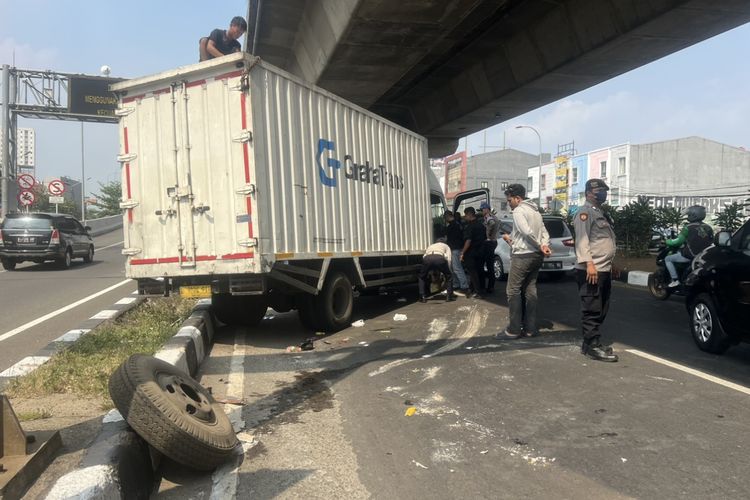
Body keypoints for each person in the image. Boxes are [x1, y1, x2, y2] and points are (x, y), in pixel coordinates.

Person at [497, 184, 551, 339]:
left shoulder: (519, 210)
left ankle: (513, 330)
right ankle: (530, 328)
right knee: (530, 290)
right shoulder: (535, 210)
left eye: (509, 200)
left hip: (523, 256)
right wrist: (544, 245)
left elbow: (526, 232)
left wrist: (540, 245)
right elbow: (544, 231)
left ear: (518, 198)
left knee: (512, 290)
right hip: (535, 256)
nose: (509, 203)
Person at [574, 179, 619, 362]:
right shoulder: (584, 213)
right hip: (591, 269)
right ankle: (593, 344)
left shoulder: (599, 213)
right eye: (599, 190)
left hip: (603, 268)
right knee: (592, 308)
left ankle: (589, 343)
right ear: (589, 192)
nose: (603, 193)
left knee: (602, 307)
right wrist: (589, 264)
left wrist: (612, 263)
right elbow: (582, 240)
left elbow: (604, 240)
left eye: (604, 190)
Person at [664, 205, 713, 288]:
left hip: (691, 256)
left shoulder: (688, 227)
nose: (688, 216)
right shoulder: (708, 227)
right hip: (704, 256)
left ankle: (675, 280)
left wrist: (667, 241)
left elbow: (677, 242)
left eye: (689, 214)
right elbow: (711, 241)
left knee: (668, 259)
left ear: (693, 215)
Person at [460, 207, 486, 298]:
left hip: (471, 252)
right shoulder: (482, 225)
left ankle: (478, 292)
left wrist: (462, 252)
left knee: (472, 273)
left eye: (465, 215)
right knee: (480, 271)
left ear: (470, 214)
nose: (465, 217)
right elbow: (484, 238)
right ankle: (478, 289)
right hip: (481, 252)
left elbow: (468, 241)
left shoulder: (470, 226)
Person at [445, 210, 469, 293]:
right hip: (457, 248)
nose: (445, 219)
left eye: (445, 217)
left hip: (454, 249)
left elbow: (450, 238)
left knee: (456, 268)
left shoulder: (451, 226)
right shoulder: (458, 224)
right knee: (454, 268)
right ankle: (457, 284)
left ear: (447, 216)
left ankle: (464, 286)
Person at [480, 202, 500, 293]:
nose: (481, 211)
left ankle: (488, 287)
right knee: (490, 265)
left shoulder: (489, 217)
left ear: (487, 209)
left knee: (487, 265)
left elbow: (491, 224)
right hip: (493, 242)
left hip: (489, 243)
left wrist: (488, 235)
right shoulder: (494, 217)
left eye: (482, 209)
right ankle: (490, 286)